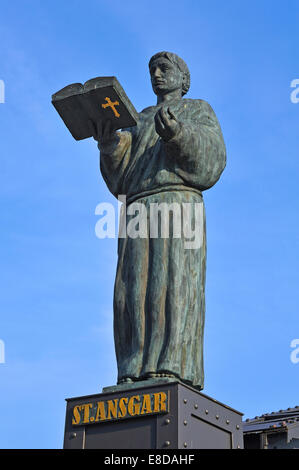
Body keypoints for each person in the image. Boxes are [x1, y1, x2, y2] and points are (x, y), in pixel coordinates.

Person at [89, 51, 226, 389]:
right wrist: (110, 146)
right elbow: (119, 177)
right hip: (137, 209)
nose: (157, 75)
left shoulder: (197, 110)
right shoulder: (138, 121)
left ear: (184, 78)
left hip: (178, 203)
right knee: (130, 293)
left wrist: (179, 135)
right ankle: (132, 366)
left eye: (165, 68)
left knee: (173, 286)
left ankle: (172, 364)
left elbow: (214, 159)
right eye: (152, 69)